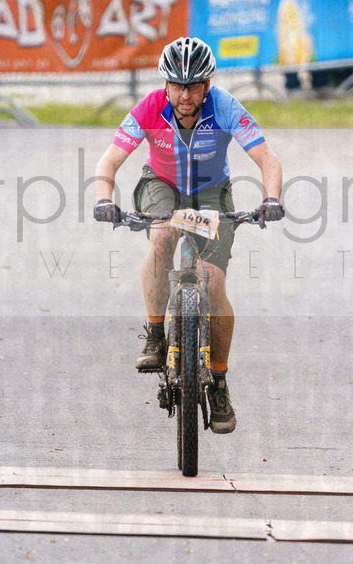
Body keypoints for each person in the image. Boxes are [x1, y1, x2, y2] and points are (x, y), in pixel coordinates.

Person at [92, 37, 285, 435]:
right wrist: (103, 199)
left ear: (207, 85)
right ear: (165, 84)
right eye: (177, 85)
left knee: (213, 284)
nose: (184, 94)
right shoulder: (149, 108)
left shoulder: (225, 106)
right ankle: (156, 334)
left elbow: (267, 158)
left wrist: (271, 198)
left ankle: (218, 382)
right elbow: (110, 160)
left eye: (194, 85)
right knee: (162, 236)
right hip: (160, 184)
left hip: (213, 192)